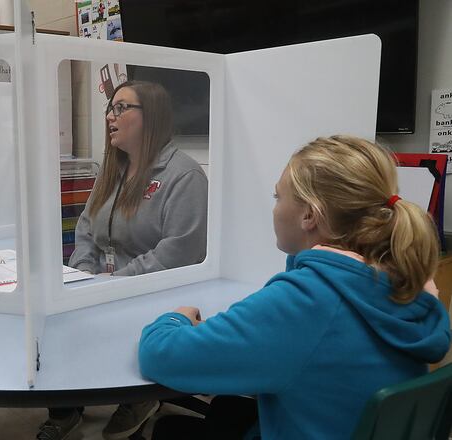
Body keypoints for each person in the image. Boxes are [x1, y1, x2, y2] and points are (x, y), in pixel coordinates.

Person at [139, 135, 452, 439]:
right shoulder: (399, 283)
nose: (274, 208)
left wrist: (176, 319)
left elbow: (161, 355)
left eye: (278, 196)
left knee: (172, 428)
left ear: (309, 215)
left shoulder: (308, 300)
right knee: (229, 408)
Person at [36, 81, 208, 440]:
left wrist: (112, 286)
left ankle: (138, 397)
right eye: (110, 109)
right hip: (102, 287)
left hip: (149, 295)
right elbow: (86, 228)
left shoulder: (184, 175)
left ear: (152, 118)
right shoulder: (113, 169)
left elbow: (177, 252)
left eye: (121, 108)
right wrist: (83, 276)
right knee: (55, 319)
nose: (111, 117)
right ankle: (65, 407)